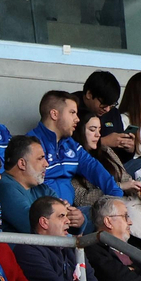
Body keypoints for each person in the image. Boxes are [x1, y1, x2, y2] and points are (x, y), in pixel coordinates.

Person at [28, 89, 121, 220]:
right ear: (54, 114)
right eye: (72, 113)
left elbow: (94, 168)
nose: (77, 119)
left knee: (110, 215)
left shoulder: (71, 144)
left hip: (71, 212)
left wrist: (117, 196)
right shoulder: (30, 145)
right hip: (44, 216)